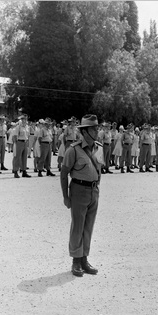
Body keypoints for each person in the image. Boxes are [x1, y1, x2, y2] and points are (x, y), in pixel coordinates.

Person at [60, 114, 103, 277]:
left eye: (97, 127)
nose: (97, 131)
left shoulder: (99, 148)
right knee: (77, 227)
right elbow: (64, 173)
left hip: (94, 191)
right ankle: (76, 261)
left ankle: (84, 259)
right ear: (85, 131)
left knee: (88, 227)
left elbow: (99, 170)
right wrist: (66, 196)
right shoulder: (73, 150)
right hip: (78, 190)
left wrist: (97, 188)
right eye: (94, 128)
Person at [12, 114, 31, 178]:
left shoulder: (27, 127)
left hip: (25, 142)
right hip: (19, 142)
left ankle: (24, 171)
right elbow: (15, 136)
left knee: (24, 157)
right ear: (21, 120)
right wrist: (16, 144)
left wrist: (27, 142)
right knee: (17, 157)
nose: (24, 120)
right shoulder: (18, 127)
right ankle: (15, 171)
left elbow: (28, 135)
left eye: (25, 119)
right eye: (23, 119)